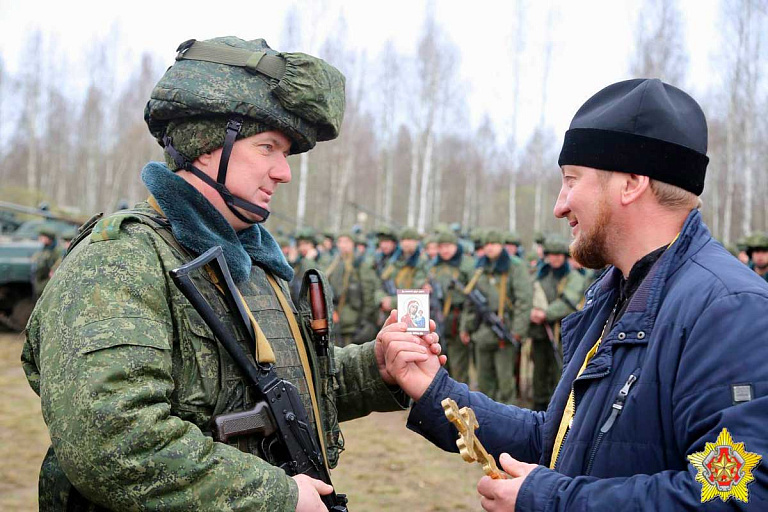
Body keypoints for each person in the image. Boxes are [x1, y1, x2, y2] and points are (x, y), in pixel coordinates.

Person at [21, 36, 442, 512]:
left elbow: (278, 393)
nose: (283, 172)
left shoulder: (251, 261)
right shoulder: (120, 261)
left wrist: (376, 369)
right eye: (267, 148)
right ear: (205, 147)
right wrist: (275, 496)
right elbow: (111, 441)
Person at [389, 79, 768, 511]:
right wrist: (433, 390)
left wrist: (549, 499)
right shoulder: (617, 294)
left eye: (571, 181)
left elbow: (734, 494)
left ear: (631, 183)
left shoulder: (729, 310)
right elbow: (557, 439)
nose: (560, 205)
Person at [459, 229, 532, 404]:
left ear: (502, 245)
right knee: (484, 382)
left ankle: (508, 424)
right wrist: (465, 327)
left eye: (494, 244)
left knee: (505, 383)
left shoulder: (515, 266)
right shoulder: (479, 268)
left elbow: (524, 300)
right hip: (482, 332)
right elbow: (470, 301)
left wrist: (517, 330)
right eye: (487, 245)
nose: (490, 248)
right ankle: (484, 422)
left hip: (504, 332)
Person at [528, 234, 585, 411]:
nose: (555, 258)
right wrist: (533, 312)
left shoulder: (574, 277)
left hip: (563, 334)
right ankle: (538, 407)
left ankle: (557, 410)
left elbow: (568, 303)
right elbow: (528, 295)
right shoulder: (540, 276)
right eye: (551, 255)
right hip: (540, 332)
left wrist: (545, 313)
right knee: (539, 373)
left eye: (558, 255)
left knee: (559, 372)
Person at [427, 229, 476, 384]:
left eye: (449, 246)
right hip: (437, 319)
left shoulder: (467, 265)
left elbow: (472, 297)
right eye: (441, 246)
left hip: (458, 319)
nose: (445, 250)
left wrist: (465, 326)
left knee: (458, 368)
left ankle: (460, 404)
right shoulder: (433, 266)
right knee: (439, 367)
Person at [324, 231, 379, 346]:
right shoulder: (334, 264)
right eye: (340, 242)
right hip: (336, 320)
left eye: (347, 241)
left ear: (353, 244)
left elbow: (368, 294)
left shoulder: (360, 264)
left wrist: (364, 321)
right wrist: (332, 310)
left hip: (353, 323)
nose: (343, 245)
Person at [376, 227, 428, 315]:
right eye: (403, 240)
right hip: (390, 312)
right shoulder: (393, 261)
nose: (406, 243)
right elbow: (380, 284)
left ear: (417, 242)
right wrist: (382, 299)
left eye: (410, 239)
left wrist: (392, 302)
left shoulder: (422, 262)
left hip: (412, 313)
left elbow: (418, 292)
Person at [31, 225, 62, 295]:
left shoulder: (55, 252)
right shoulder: (43, 250)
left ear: (49, 239)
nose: (40, 239)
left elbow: (55, 267)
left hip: (47, 283)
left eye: (42, 237)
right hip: (39, 281)